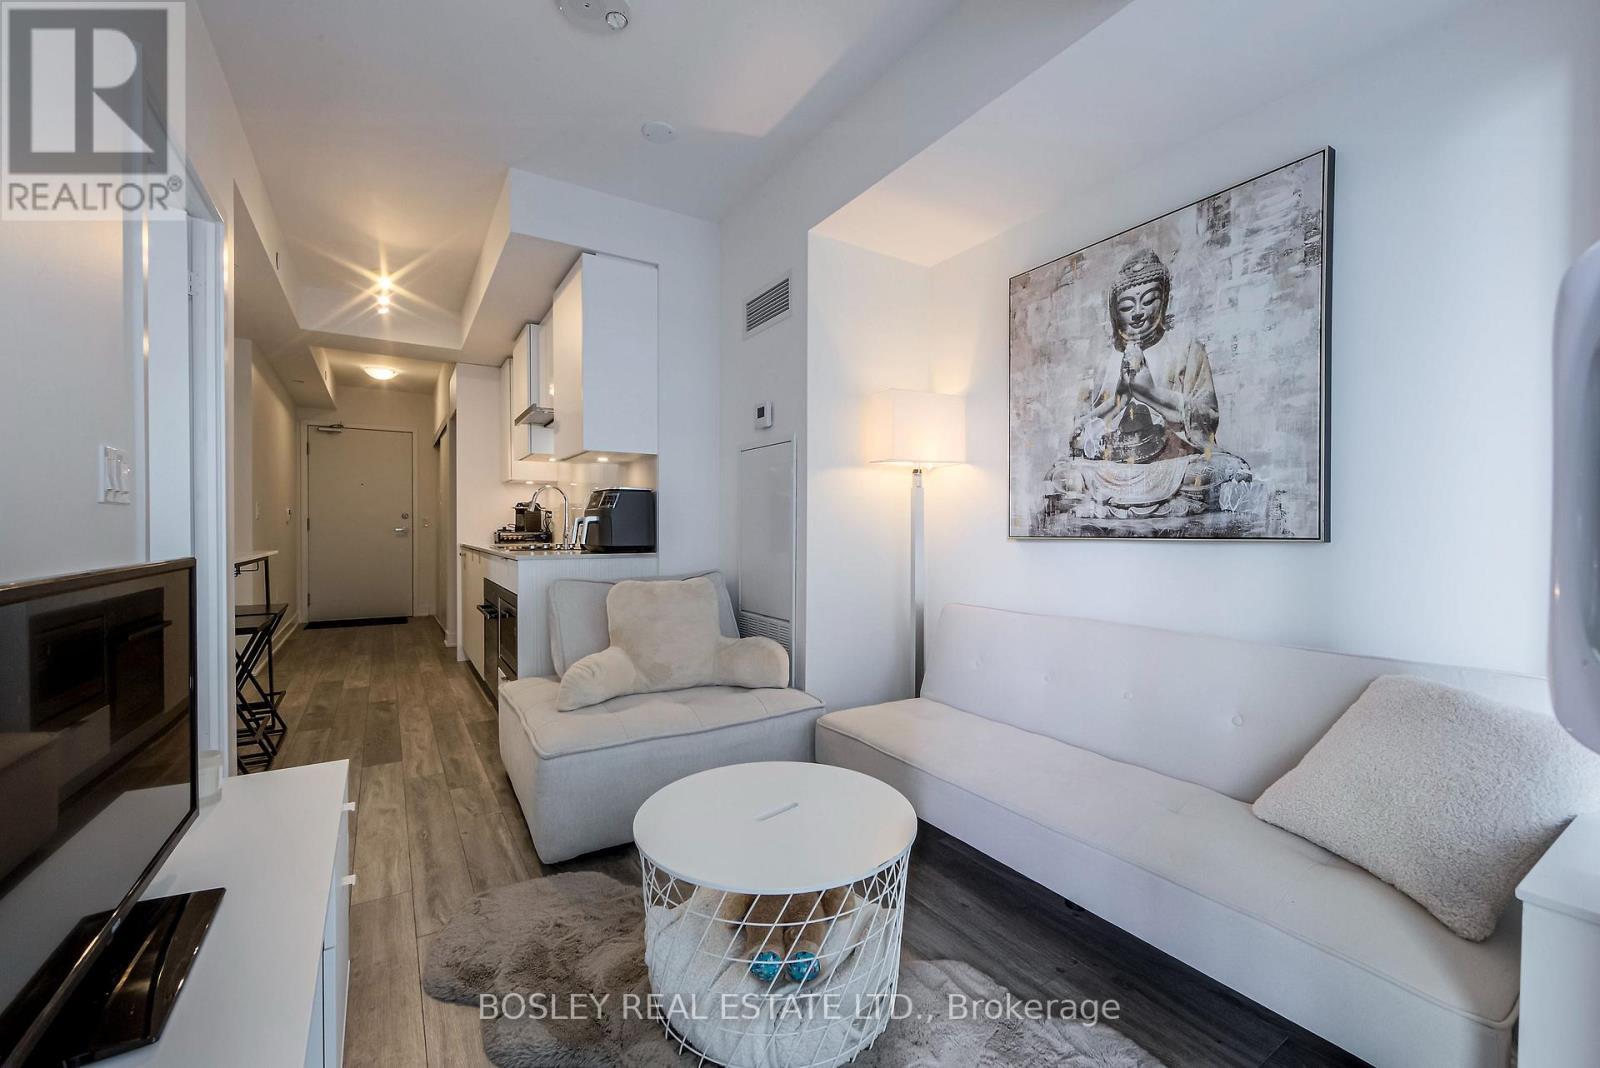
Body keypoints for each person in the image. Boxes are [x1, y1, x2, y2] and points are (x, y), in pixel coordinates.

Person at [1049, 249, 1252, 519]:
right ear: (1115, 312)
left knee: (1223, 470)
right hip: (1112, 470)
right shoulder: (1101, 361)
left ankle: (1113, 506)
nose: (1137, 313)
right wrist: (1118, 401)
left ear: (1164, 300)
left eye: (1148, 301)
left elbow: (1207, 420)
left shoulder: (1187, 349)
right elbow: (1077, 436)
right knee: (1063, 475)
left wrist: (1151, 394)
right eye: (1126, 306)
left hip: (1171, 467)